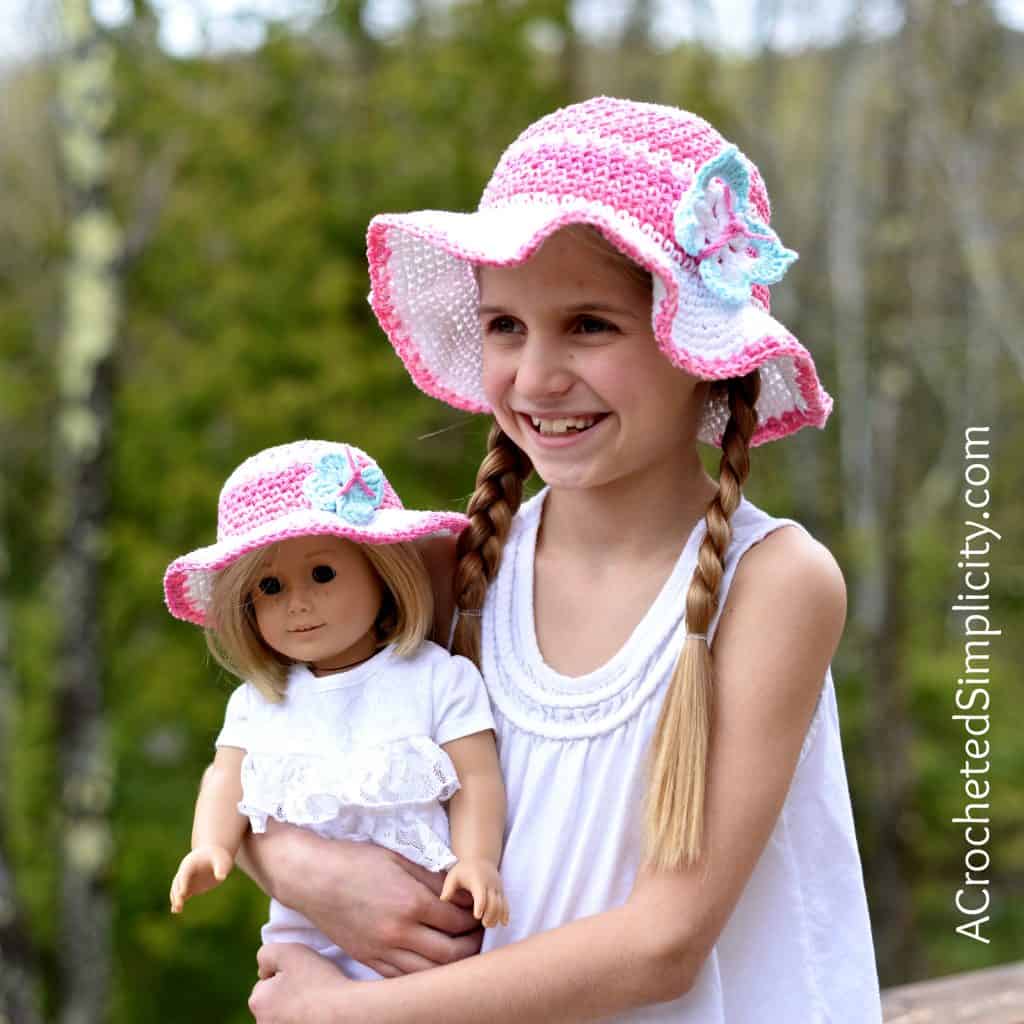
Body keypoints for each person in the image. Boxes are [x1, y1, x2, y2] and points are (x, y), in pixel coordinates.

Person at [244, 97, 884, 1021]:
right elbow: (261, 745)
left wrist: (339, 1014)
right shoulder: (452, 576)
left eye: (589, 324)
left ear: (697, 351)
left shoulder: (775, 584)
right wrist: (304, 866)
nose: (536, 376)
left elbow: (663, 944)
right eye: (505, 326)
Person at [163, 440, 510, 982]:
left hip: (428, 932)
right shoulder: (259, 703)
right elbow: (225, 779)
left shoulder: (435, 678)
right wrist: (210, 846)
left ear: (381, 572)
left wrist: (477, 858)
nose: (296, 603)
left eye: (322, 574)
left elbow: (476, 779)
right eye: (270, 587)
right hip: (306, 945)